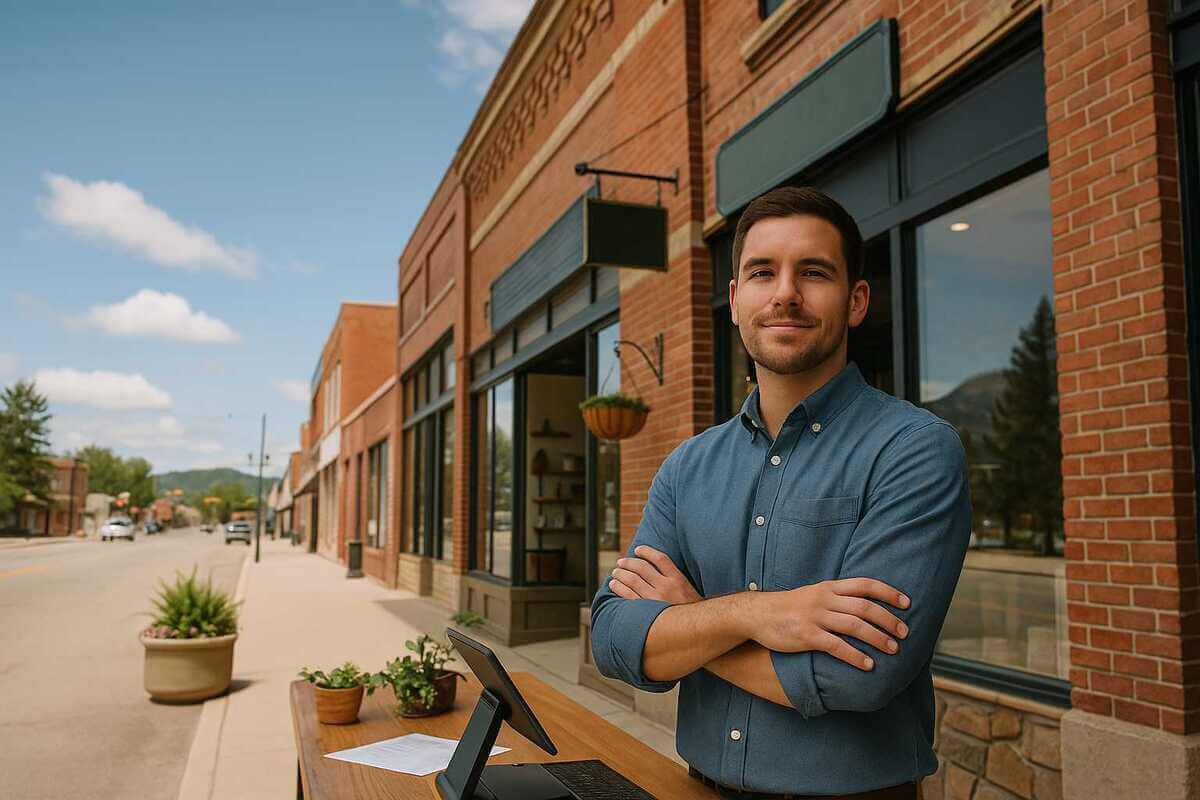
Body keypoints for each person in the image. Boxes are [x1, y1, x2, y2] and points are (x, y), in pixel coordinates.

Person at [589, 186, 972, 800]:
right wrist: (758, 612)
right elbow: (612, 638)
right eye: (763, 272)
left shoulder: (914, 450)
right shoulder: (687, 466)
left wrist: (689, 622)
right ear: (737, 301)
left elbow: (859, 677)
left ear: (856, 301)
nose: (786, 293)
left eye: (814, 272)